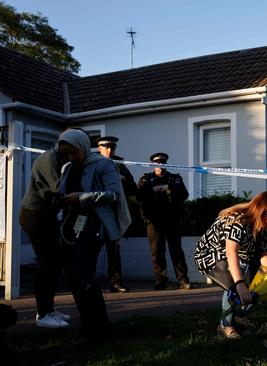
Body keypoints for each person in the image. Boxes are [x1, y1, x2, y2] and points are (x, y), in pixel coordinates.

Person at [56, 129, 131, 342]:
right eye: (66, 154)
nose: (71, 157)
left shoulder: (104, 164)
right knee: (73, 276)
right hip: (70, 225)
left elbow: (114, 194)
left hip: (93, 224)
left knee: (84, 274)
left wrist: (82, 197)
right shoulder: (67, 168)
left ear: (82, 147)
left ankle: (100, 326)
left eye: (74, 152)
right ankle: (88, 324)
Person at [194, 191, 267, 339]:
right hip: (211, 255)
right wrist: (240, 283)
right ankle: (225, 325)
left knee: (258, 286)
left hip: (242, 257)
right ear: (259, 208)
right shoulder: (237, 220)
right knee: (234, 285)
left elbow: (266, 256)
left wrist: (265, 280)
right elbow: (231, 252)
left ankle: (239, 315)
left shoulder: (266, 225)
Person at [19, 140, 71, 328]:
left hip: (44, 215)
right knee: (46, 262)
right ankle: (43, 314)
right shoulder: (50, 158)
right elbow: (58, 188)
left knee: (54, 263)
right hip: (35, 215)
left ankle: (48, 309)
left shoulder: (60, 157)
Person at [137, 152, 192, 290]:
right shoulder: (146, 179)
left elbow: (184, 195)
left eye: (162, 163)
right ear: (153, 165)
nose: (160, 166)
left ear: (166, 164)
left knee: (176, 250)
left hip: (172, 219)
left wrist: (168, 188)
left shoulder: (175, 179)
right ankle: (160, 280)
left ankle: (183, 280)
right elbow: (140, 197)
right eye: (157, 164)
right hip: (154, 220)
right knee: (157, 252)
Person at [96, 136, 137, 293]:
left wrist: (122, 181)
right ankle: (87, 282)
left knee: (114, 248)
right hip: (97, 212)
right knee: (92, 247)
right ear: (99, 148)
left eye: (112, 147)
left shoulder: (120, 166)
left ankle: (116, 282)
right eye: (106, 147)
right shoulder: (93, 163)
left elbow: (132, 188)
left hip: (113, 213)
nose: (109, 150)